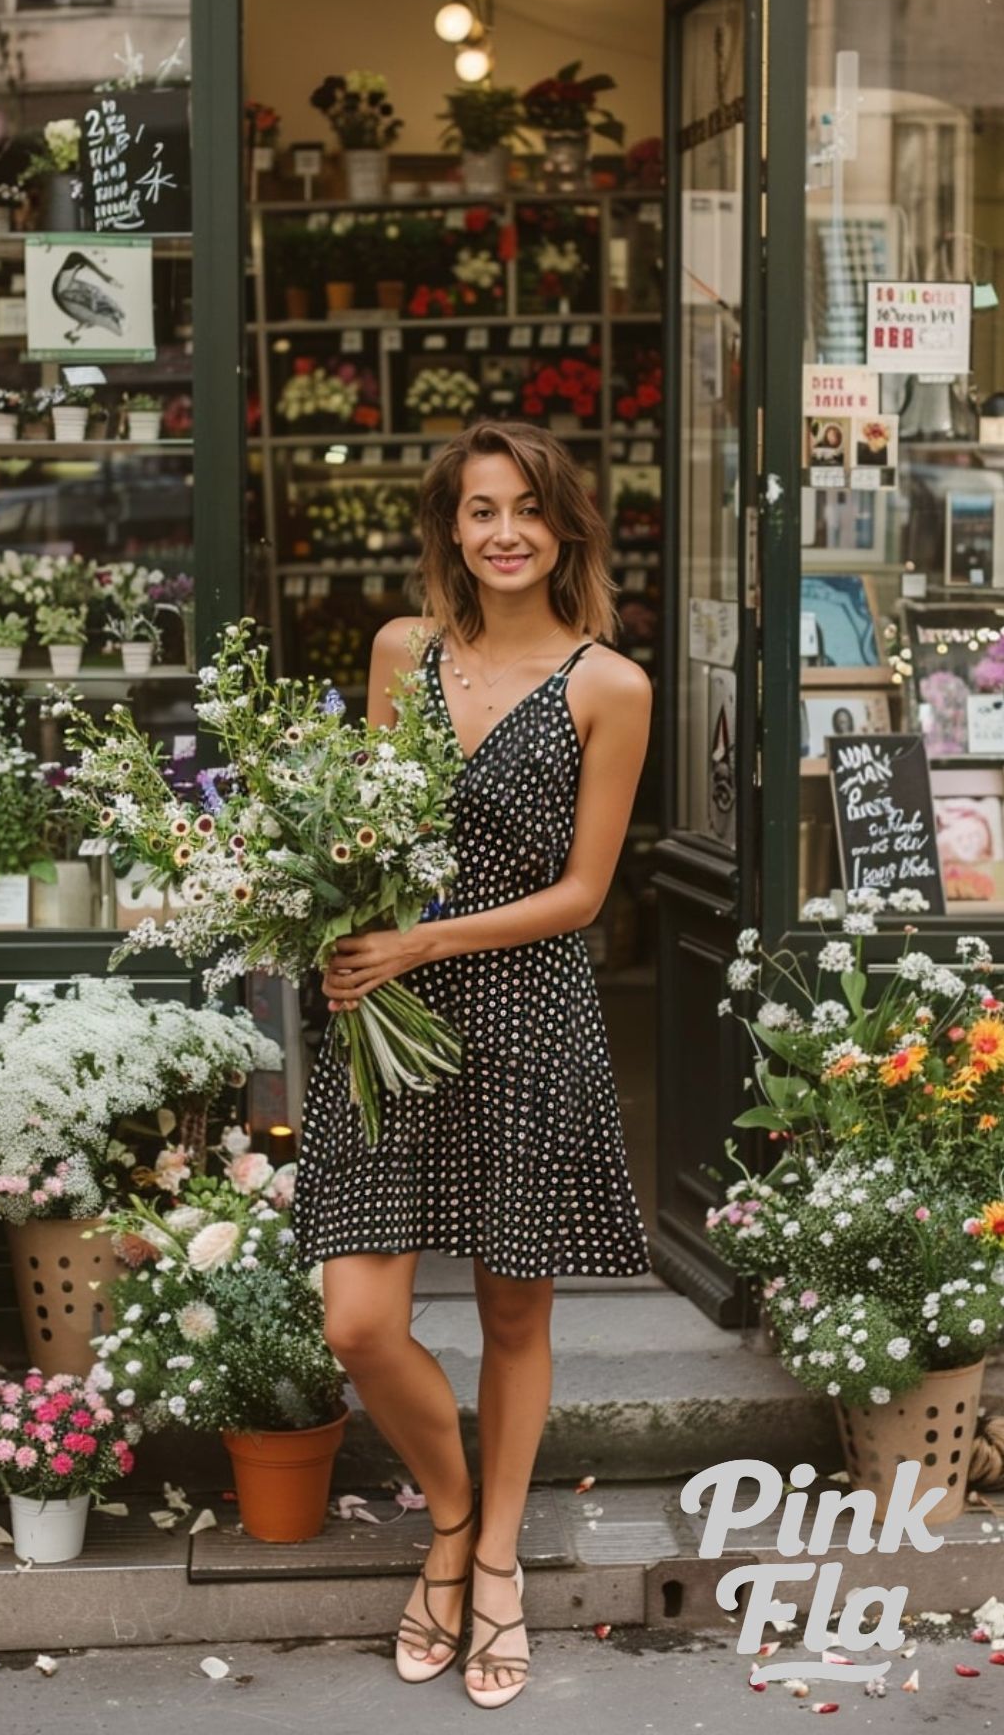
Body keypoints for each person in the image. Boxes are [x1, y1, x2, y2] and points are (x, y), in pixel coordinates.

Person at [291, 419, 653, 1709]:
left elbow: (583, 896)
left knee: (514, 1310)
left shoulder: (609, 684)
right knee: (362, 1320)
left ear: (566, 529)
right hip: (388, 1021)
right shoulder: (403, 653)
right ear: (449, 528)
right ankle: (451, 1511)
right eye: (478, 509)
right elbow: (371, 827)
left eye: (528, 510)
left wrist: (419, 937)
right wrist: (317, 904)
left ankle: (492, 1559)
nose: (504, 531)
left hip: (525, 1010)